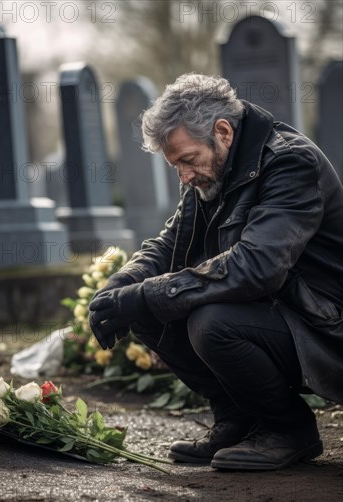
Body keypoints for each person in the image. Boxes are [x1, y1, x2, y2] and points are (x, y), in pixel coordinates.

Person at [89, 73, 343, 471]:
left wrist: (146, 294)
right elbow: (171, 243)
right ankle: (238, 420)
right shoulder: (213, 171)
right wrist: (122, 285)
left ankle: (288, 430)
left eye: (187, 161)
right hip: (275, 313)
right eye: (176, 166)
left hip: (322, 324)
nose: (184, 177)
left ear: (222, 132)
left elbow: (257, 267)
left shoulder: (290, 162)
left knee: (211, 322)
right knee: (143, 307)